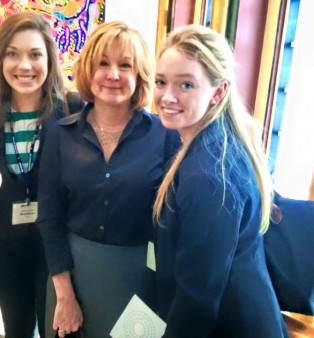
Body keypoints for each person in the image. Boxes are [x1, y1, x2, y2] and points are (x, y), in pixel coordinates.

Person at [37, 21, 180, 338]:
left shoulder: (166, 136)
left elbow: (173, 221)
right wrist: (64, 294)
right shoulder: (60, 134)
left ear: (140, 73)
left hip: (139, 277)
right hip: (72, 275)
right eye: (103, 63)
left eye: (125, 65)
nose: (113, 74)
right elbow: (48, 216)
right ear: (89, 70)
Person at [152, 24, 288, 337]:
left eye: (186, 85)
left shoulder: (209, 174)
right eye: (161, 82)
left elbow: (197, 298)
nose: (167, 96)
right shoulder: (216, 143)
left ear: (218, 91)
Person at [0, 12, 69, 338]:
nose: (24, 65)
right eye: (12, 54)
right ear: (0, 60)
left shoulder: (72, 110)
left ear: (49, 59)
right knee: (16, 330)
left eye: (34, 54)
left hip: (58, 242)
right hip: (10, 242)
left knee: (58, 329)